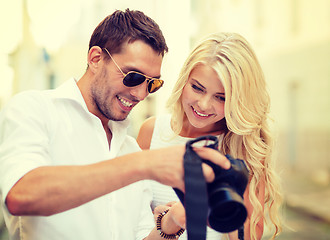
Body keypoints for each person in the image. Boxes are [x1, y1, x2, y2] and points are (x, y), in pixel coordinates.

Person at [0, 9, 231, 240]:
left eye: (152, 84)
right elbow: (21, 195)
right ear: (96, 59)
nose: (141, 94)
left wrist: (171, 223)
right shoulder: (35, 109)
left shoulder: (129, 147)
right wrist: (143, 164)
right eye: (133, 76)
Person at [137, 32, 283, 240]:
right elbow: (127, 222)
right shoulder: (151, 132)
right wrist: (169, 221)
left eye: (221, 97)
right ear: (184, 80)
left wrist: (217, 208)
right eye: (197, 88)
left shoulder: (243, 147)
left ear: (238, 101)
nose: (203, 105)